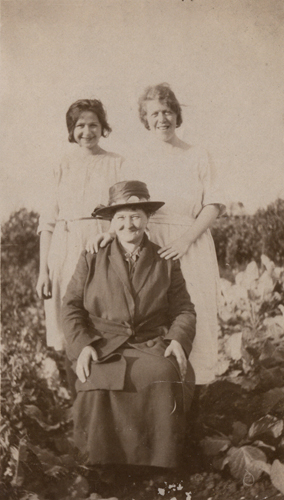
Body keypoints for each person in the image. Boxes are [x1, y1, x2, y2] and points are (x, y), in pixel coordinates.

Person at [90, 84, 226, 386]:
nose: (162, 118)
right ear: (146, 120)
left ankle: (194, 400)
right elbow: (126, 207)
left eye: (167, 111)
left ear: (177, 115)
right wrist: (108, 234)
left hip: (191, 244)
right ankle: (161, 397)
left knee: (194, 313)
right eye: (154, 114)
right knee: (155, 317)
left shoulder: (198, 154)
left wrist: (186, 240)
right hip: (152, 245)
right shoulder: (136, 160)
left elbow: (213, 205)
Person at [61, 180, 196, 468]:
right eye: (120, 217)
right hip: (104, 344)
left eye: (136, 216)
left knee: (163, 372)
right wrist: (83, 346)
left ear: (147, 219)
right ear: (112, 223)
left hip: (149, 342)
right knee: (94, 379)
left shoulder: (165, 260)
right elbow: (71, 306)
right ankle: (99, 465)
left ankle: (157, 466)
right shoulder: (93, 256)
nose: (129, 224)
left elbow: (184, 308)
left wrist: (177, 340)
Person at [36, 99, 124, 394]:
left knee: (103, 319)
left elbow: (124, 210)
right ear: (72, 131)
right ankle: (78, 399)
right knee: (67, 320)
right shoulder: (61, 164)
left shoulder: (117, 162)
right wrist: (43, 272)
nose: (87, 131)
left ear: (103, 127)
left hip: (103, 244)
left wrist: (110, 234)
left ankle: (104, 397)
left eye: (93, 125)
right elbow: (47, 223)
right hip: (64, 246)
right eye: (80, 126)